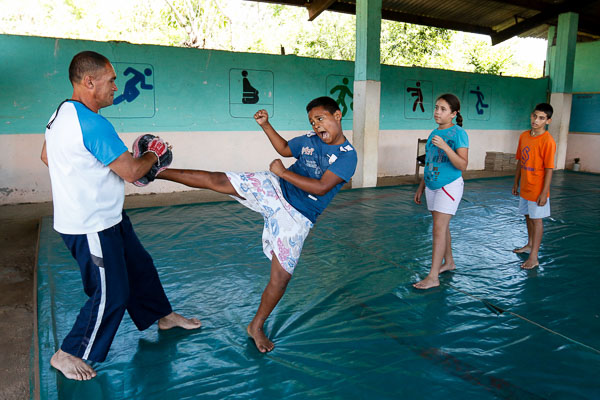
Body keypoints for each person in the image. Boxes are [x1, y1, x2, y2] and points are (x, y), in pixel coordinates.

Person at [40, 51, 201, 381]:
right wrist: (153, 156)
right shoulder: (94, 123)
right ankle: (68, 353)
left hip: (108, 216)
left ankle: (163, 315)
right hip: (90, 226)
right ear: (89, 81)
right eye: (111, 80)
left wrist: (86, 177)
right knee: (112, 292)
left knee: (140, 267)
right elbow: (131, 172)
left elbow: (46, 156)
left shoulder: (61, 113)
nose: (116, 86)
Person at [155, 96, 357, 352]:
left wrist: (283, 172)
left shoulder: (347, 156)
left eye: (321, 119)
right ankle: (155, 172)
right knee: (219, 180)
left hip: (298, 215)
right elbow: (284, 149)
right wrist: (266, 125)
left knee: (281, 278)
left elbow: (321, 188)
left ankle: (256, 326)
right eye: (313, 122)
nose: (317, 126)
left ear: (337, 116)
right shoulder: (309, 140)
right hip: (275, 188)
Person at [413, 93, 469, 290]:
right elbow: (428, 162)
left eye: (443, 109)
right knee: (442, 227)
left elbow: (462, 164)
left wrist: (446, 147)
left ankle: (433, 276)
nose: (437, 112)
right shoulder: (433, 133)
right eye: (436, 107)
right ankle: (449, 262)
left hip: (449, 186)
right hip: (431, 185)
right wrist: (422, 186)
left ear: (453, 113)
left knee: (438, 229)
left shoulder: (458, 133)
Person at [511, 103, 556, 269]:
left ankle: (534, 257)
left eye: (541, 118)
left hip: (538, 188)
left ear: (548, 121)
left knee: (537, 220)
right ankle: (529, 244)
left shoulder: (548, 141)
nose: (536, 120)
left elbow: (549, 169)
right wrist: (516, 182)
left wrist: (544, 192)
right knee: (528, 216)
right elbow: (521, 161)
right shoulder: (524, 136)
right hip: (525, 186)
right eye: (534, 116)